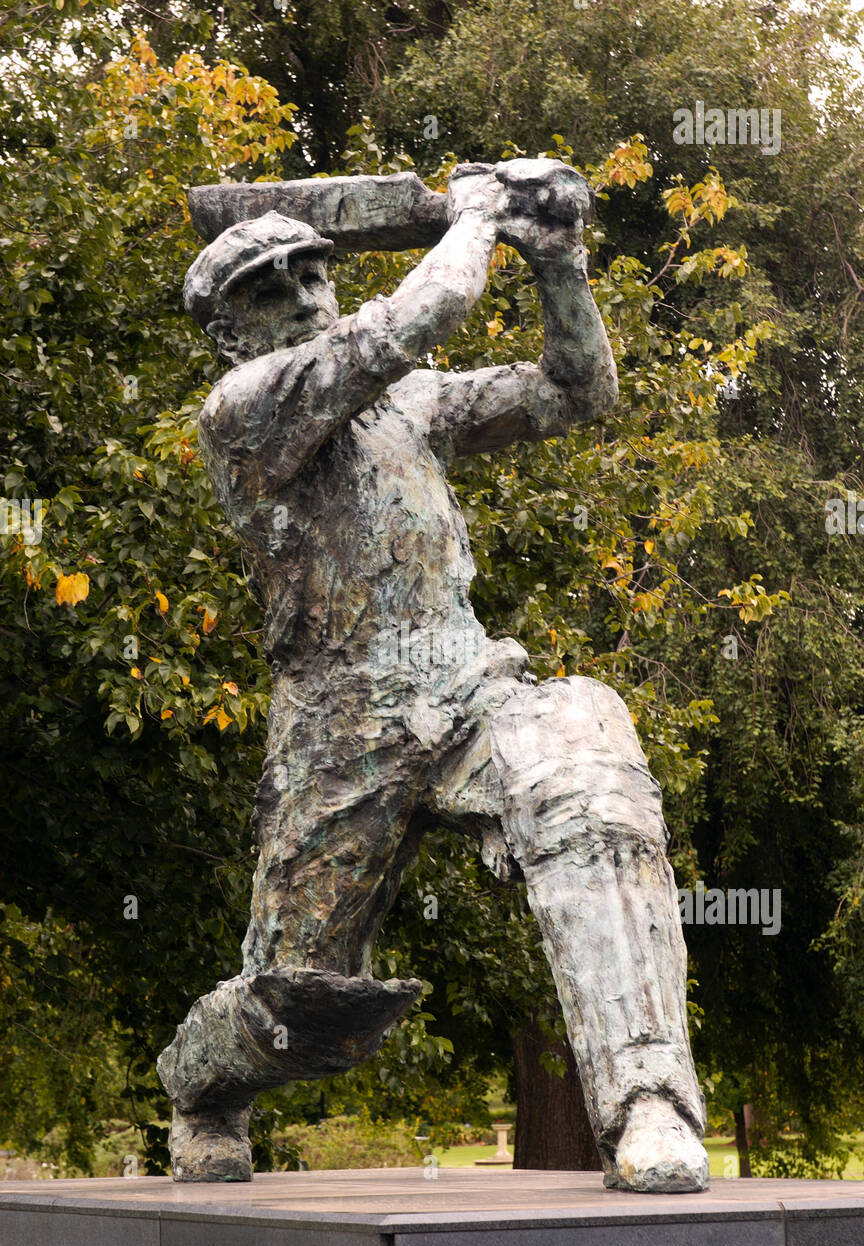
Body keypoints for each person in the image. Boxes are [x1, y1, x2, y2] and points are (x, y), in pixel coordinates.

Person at [158, 159, 709, 1192]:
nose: (307, 297)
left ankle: (648, 1097)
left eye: (313, 272)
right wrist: (476, 215)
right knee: (298, 1001)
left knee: (590, 776)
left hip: (466, 692)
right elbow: (428, 310)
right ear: (232, 330)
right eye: (270, 288)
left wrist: (560, 264)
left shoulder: (407, 404)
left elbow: (575, 390)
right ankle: (200, 1084)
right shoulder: (245, 409)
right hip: (338, 732)